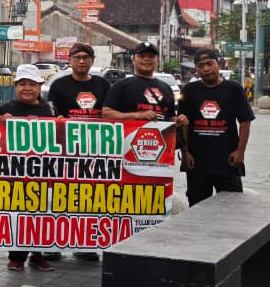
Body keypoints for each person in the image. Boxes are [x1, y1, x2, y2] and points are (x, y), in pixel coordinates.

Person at [46, 43, 111, 261]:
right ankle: (52, 245)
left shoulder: (103, 85)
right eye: (77, 57)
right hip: (65, 152)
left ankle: (85, 244)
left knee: (88, 199)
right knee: (59, 197)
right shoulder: (58, 85)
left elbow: (111, 115)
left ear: (92, 60)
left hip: (94, 152)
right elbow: (52, 116)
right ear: (70, 60)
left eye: (86, 57)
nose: (81, 61)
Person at [0, 64, 55, 272]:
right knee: (18, 215)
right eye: (22, 84)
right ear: (15, 86)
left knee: (40, 215)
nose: (27, 88)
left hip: (40, 172)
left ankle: (37, 254)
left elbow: (55, 137)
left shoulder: (46, 109)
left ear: (39, 86)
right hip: (14, 174)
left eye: (32, 84)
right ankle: (16, 256)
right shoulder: (6, 108)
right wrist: (3, 124)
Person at [179, 48, 254, 206]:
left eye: (209, 64)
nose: (206, 69)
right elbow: (183, 124)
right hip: (197, 162)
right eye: (201, 66)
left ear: (218, 64)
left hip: (227, 161)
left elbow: (245, 121)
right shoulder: (189, 91)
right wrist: (185, 153)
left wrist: (240, 152)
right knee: (197, 208)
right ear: (196, 69)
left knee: (231, 207)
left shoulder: (234, 89)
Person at [101, 42, 188, 128]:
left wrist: (179, 120)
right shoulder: (121, 86)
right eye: (141, 56)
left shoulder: (166, 88)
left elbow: (170, 117)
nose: (146, 59)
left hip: (161, 139)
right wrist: (137, 116)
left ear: (157, 60)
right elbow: (106, 114)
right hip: (130, 139)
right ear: (133, 60)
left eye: (151, 56)